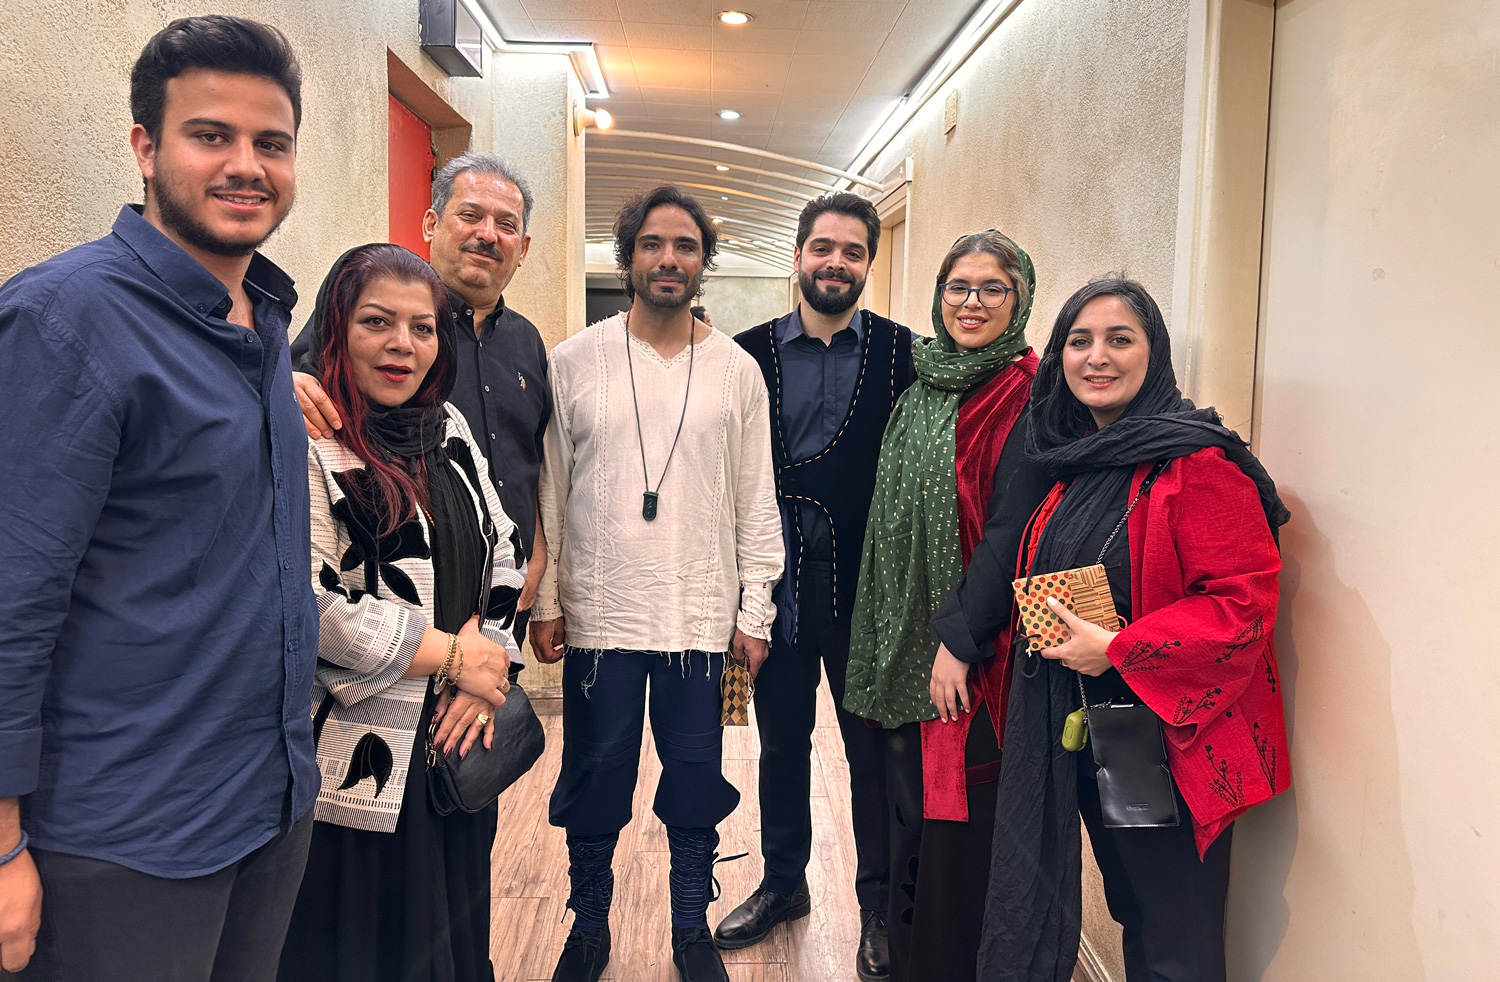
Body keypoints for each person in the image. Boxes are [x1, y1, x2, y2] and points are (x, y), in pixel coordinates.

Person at [0, 16, 317, 981]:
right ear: (145, 147)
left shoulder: (258, 320)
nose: (245, 166)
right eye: (209, 135)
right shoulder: (66, 321)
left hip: (264, 804)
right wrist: (3, 846)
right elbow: (10, 601)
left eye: (271, 143)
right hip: (123, 837)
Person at [975, 278, 1291, 982]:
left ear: (1155, 353)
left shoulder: (1197, 464)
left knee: (1177, 941)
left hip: (1171, 746)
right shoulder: (1078, 460)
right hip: (1096, 734)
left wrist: (1118, 648)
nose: (1098, 357)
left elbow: (1242, 607)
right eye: (1080, 341)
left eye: (1121, 339)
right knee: (1136, 916)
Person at [530, 185, 783, 982]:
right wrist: (545, 599)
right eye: (651, 244)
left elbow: (756, 497)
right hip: (601, 618)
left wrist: (757, 610)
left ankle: (688, 928)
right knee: (595, 779)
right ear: (628, 255)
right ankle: (590, 928)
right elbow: (551, 488)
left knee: (697, 781)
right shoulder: (575, 361)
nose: (668, 259)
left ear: (704, 260)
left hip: (701, 621)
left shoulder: (737, 370)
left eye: (684, 245)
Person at [276, 243, 525, 982]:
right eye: (377, 322)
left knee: (452, 927)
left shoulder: (446, 424)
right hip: (358, 757)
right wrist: (452, 656)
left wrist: (487, 653)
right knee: (365, 942)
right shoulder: (308, 437)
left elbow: (502, 545)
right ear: (334, 327)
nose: (402, 346)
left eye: (423, 328)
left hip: (456, 740)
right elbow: (308, 603)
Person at [843, 230, 1052, 982]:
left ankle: (947, 963)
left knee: (961, 826)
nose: (971, 302)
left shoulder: (1029, 393)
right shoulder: (923, 383)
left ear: (1020, 300)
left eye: (992, 289)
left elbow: (1011, 532)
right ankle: (905, 952)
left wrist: (958, 641)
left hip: (973, 653)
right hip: (904, 641)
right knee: (911, 817)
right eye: (958, 286)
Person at [717, 192, 915, 982]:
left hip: (869, 592)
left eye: (853, 251)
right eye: (823, 248)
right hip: (776, 590)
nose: (837, 262)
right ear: (797, 255)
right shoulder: (743, 354)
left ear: (869, 262)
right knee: (781, 743)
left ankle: (878, 908)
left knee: (873, 756)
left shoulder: (906, 356)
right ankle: (782, 882)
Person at [291, 153, 551, 648]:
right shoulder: (369, 322)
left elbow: (529, 459)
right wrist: (275, 385)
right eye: (470, 215)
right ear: (432, 223)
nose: (487, 235)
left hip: (496, 601)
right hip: (386, 617)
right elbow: (298, 388)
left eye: (506, 225)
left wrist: (533, 553)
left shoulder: (528, 344)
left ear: (524, 248)